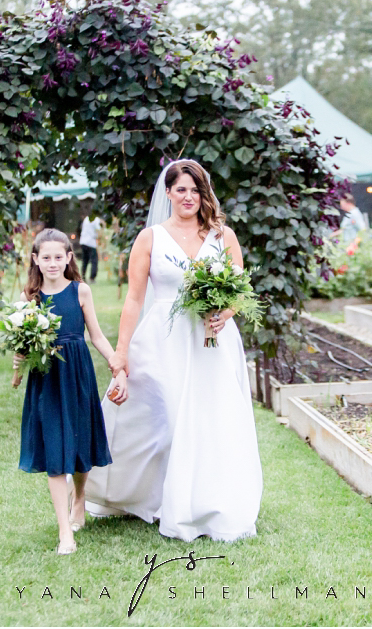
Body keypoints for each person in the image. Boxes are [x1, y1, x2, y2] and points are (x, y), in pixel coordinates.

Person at [84, 159, 263, 542]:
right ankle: (145, 495)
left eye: (196, 190)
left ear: (205, 194)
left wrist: (226, 313)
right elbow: (134, 300)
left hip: (211, 344)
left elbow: (240, 287)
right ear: (168, 193)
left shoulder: (222, 236)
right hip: (163, 342)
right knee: (161, 422)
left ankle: (209, 502)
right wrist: (121, 353)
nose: (189, 197)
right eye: (181, 189)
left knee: (213, 421)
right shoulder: (150, 238)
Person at [13, 228, 128, 555]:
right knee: (55, 452)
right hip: (46, 377)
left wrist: (116, 363)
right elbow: (21, 345)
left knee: (77, 443)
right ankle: (66, 533)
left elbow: (96, 336)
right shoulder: (29, 299)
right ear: (35, 259)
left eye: (58, 257)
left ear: (68, 258)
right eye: (45, 257)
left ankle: (80, 500)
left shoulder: (81, 292)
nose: (52, 263)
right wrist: (17, 371)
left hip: (77, 373)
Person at [78, 214, 102, 283]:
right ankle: (92, 278)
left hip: (83, 241)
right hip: (91, 242)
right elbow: (99, 230)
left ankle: (83, 276)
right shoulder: (96, 219)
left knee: (85, 260)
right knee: (94, 261)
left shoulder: (86, 219)